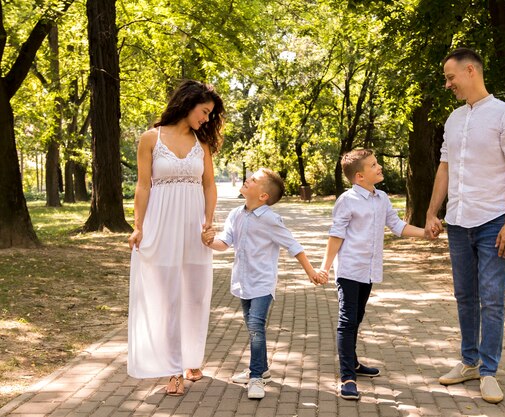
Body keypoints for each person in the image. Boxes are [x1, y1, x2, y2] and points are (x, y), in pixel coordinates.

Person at [424, 48, 505, 404]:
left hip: (493, 222)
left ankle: (488, 370)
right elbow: (444, 167)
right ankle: (468, 361)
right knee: (465, 296)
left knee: (491, 299)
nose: (448, 84)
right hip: (457, 221)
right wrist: (431, 212)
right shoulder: (453, 119)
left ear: (470, 71)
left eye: (450, 77)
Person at [127, 80, 225, 396]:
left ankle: (192, 358)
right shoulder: (150, 139)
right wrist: (138, 226)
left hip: (194, 226)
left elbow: (209, 185)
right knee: (166, 297)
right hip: (161, 223)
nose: (207, 119)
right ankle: (173, 369)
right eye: (205, 112)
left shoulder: (202, 144)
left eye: (211, 114)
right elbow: (143, 186)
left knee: (195, 294)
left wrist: (208, 222)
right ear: (188, 103)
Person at [205, 168, 328, 399]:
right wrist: (210, 242)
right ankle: (262, 369)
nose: (246, 180)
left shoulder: (271, 219)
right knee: (252, 328)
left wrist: (311, 272)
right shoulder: (235, 214)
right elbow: (225, 243)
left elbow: (294, 246)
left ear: (263, 196)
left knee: (255, 326)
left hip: (262, 283)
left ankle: (256, 377)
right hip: (242, 282)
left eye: (252, 180)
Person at [319, 149, 427, 400]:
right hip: (349, 269)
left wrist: (426, 234)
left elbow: (398, 226)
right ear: (359, 176)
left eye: (377, 163)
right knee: (347, 321)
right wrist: (325, 267)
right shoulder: (347, 200)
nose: (379, 167)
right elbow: (336, 235)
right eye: (373, 165)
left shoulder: (382, 198)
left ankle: (354, 362)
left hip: (369, 270)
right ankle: (347, 376)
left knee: (357, 317)